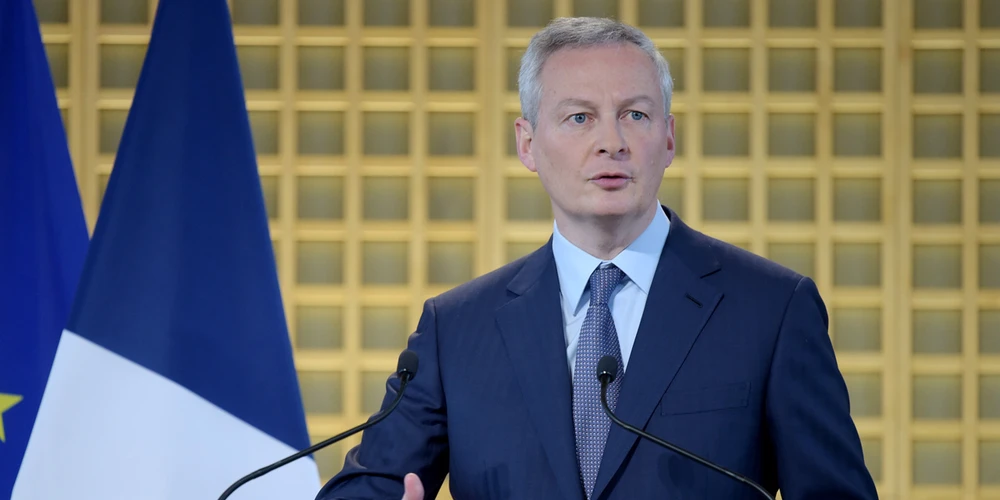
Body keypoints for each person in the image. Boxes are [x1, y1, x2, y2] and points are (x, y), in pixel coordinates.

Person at [315, 16, 878, 500]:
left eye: (635, 115)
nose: (612, 142)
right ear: (528, 144)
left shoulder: (772, 310)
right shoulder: (456, 329)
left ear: (669, 138)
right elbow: (368, 486)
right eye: (580, 117)